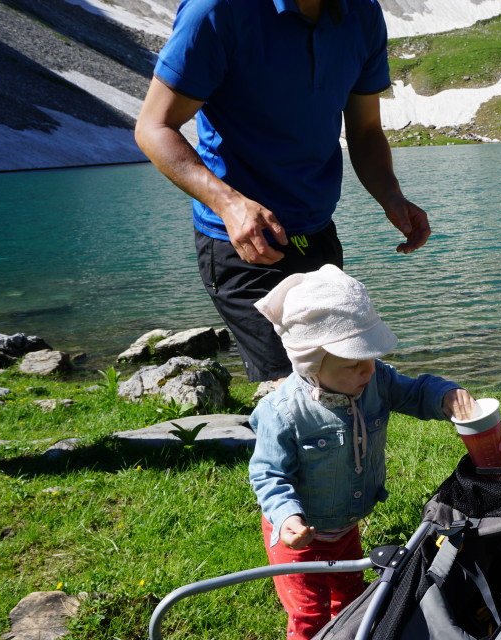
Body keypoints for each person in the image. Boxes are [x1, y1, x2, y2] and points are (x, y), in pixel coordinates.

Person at [135, 0, 430, 382]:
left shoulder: (361, 13)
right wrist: (230, 204)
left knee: (340, 374)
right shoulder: (217, 10)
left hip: (319, 233)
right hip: (244, 243)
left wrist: (391, 195)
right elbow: (153, 127)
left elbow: (366, 130)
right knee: (291, 387)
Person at [248, 265, 475, 639]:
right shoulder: (283, 413)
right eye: (354, 363)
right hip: (298, 535)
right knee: (309, 613)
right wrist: (287, 515)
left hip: (344, 526)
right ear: (312, 363)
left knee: (351, 597)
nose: (369, 369)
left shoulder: (375, 381)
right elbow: (269, 474)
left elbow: (415, 391)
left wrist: (444, 395)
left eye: (370, 357)